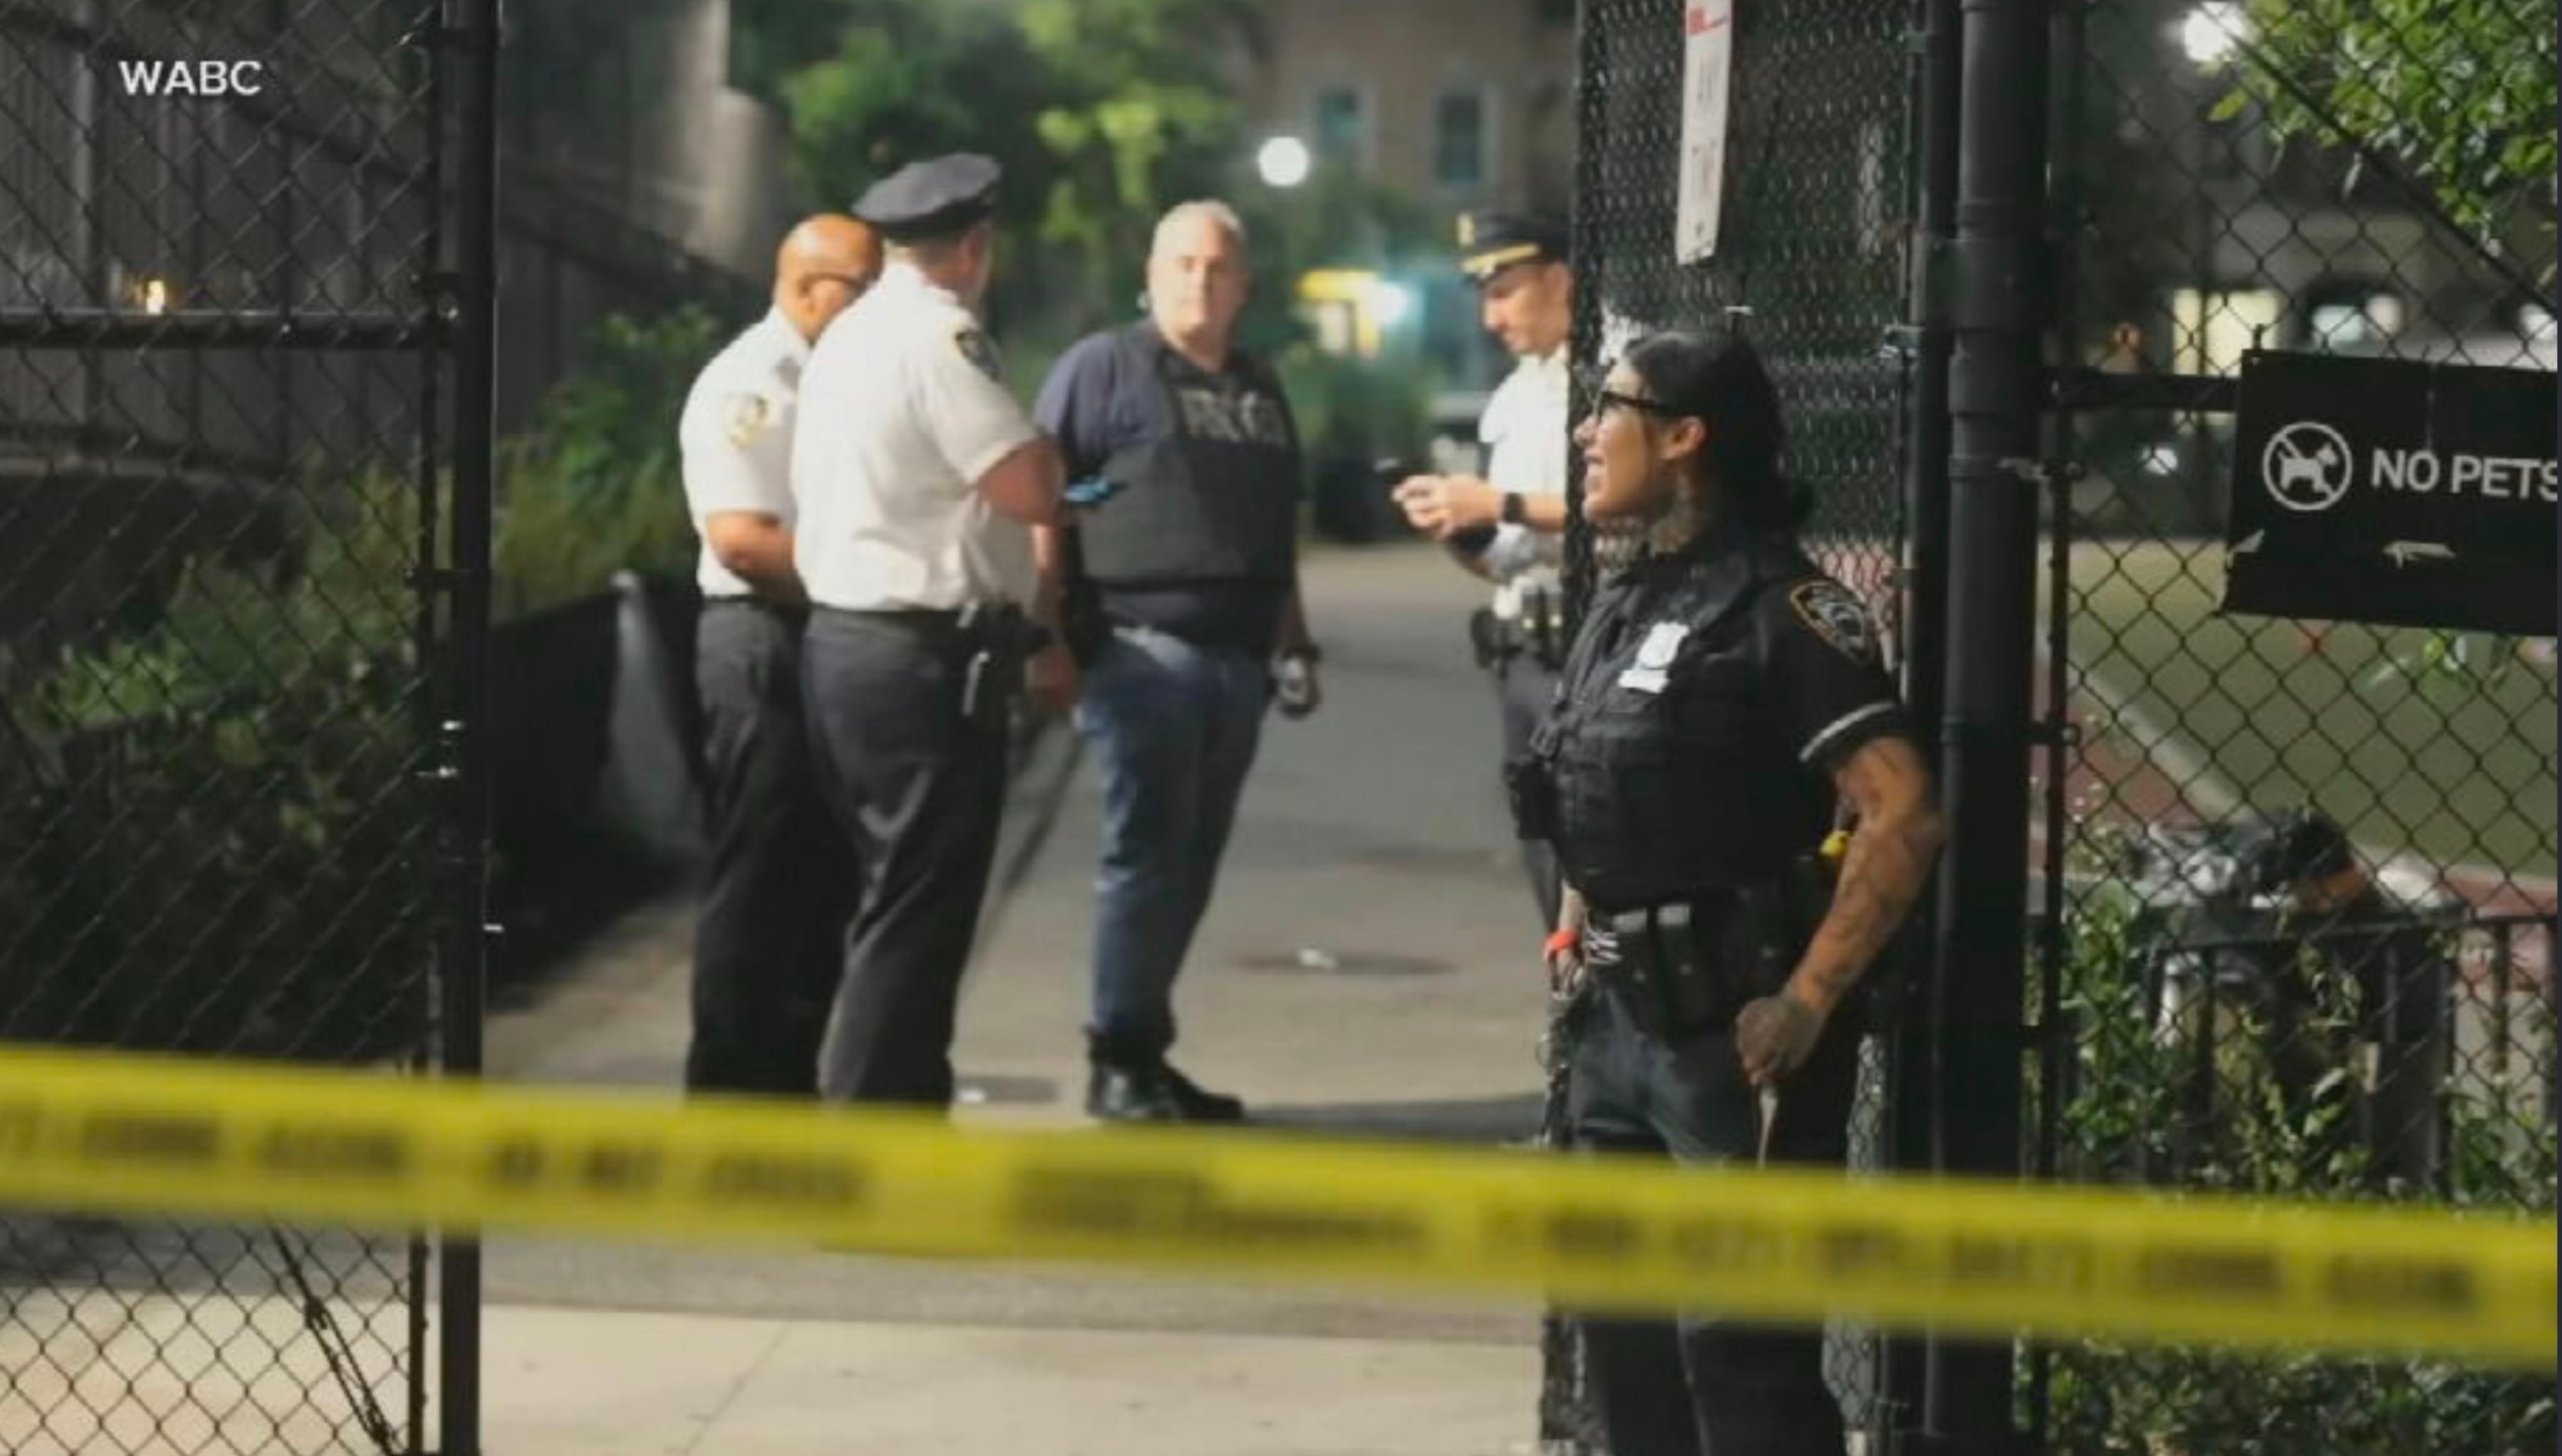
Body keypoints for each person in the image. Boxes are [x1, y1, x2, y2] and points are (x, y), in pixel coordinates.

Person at [1510, 328, 1944, 1456]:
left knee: (1741, 1350)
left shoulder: (1784, 609)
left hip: (1731, 1035)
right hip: (1615, 1023)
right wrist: (1573, 926)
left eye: (1608, 407)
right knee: (1627, 1344)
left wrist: (1807, 999)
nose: (1585, 432)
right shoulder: (1627, 593)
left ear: (1686, 436)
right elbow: (1591, 778)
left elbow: (1900, 808)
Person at [790, 153, 1073, 1108]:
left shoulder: (850, 335)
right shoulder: (941, 337)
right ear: (974, 245)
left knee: (885, 895)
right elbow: (1029, 485)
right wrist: (1051, 452)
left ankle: (895, 1111)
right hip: (920, 659)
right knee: (918, 909)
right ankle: (878, 1138)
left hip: (844, 645)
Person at [1032, 200, 1324, 1123]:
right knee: (1146, 861)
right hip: (1138, 657)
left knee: (1187, 868)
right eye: (1183, 264)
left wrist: (1295, 640)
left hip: (1238, 665)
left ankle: (1145, 1053)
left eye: (1218, 267)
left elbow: (1270, 529)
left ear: (1245, 285)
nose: (1200, 281)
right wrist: (1049, 629)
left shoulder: (1256, 386)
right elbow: (1049, 492)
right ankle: (1116, 1059)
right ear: (1151, 273)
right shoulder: (1105, 369)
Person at [676, 213, 882, 1097]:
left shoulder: (841, 378)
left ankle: (784, 1087)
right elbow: (745, 540)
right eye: (863, 290)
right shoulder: (756, 385)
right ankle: (728, 1099)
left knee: (822, 877)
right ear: (805, 289)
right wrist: (878, 577)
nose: (879, 308)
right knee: (761, 877)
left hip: (822, 633)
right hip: (763, 637)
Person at [1393, 211, 1575, 931]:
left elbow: (1621, 508)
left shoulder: (1619, 368)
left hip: (1594, 643)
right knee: (1541, 847)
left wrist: (1496, 501)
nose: (1489, 315)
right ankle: (1571, 1016)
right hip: (1523, 650)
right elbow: (1512, 556)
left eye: (1504, 291)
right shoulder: (1519, 393)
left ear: (1560, 280)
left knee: (1597, 854)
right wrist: (1458, 530)